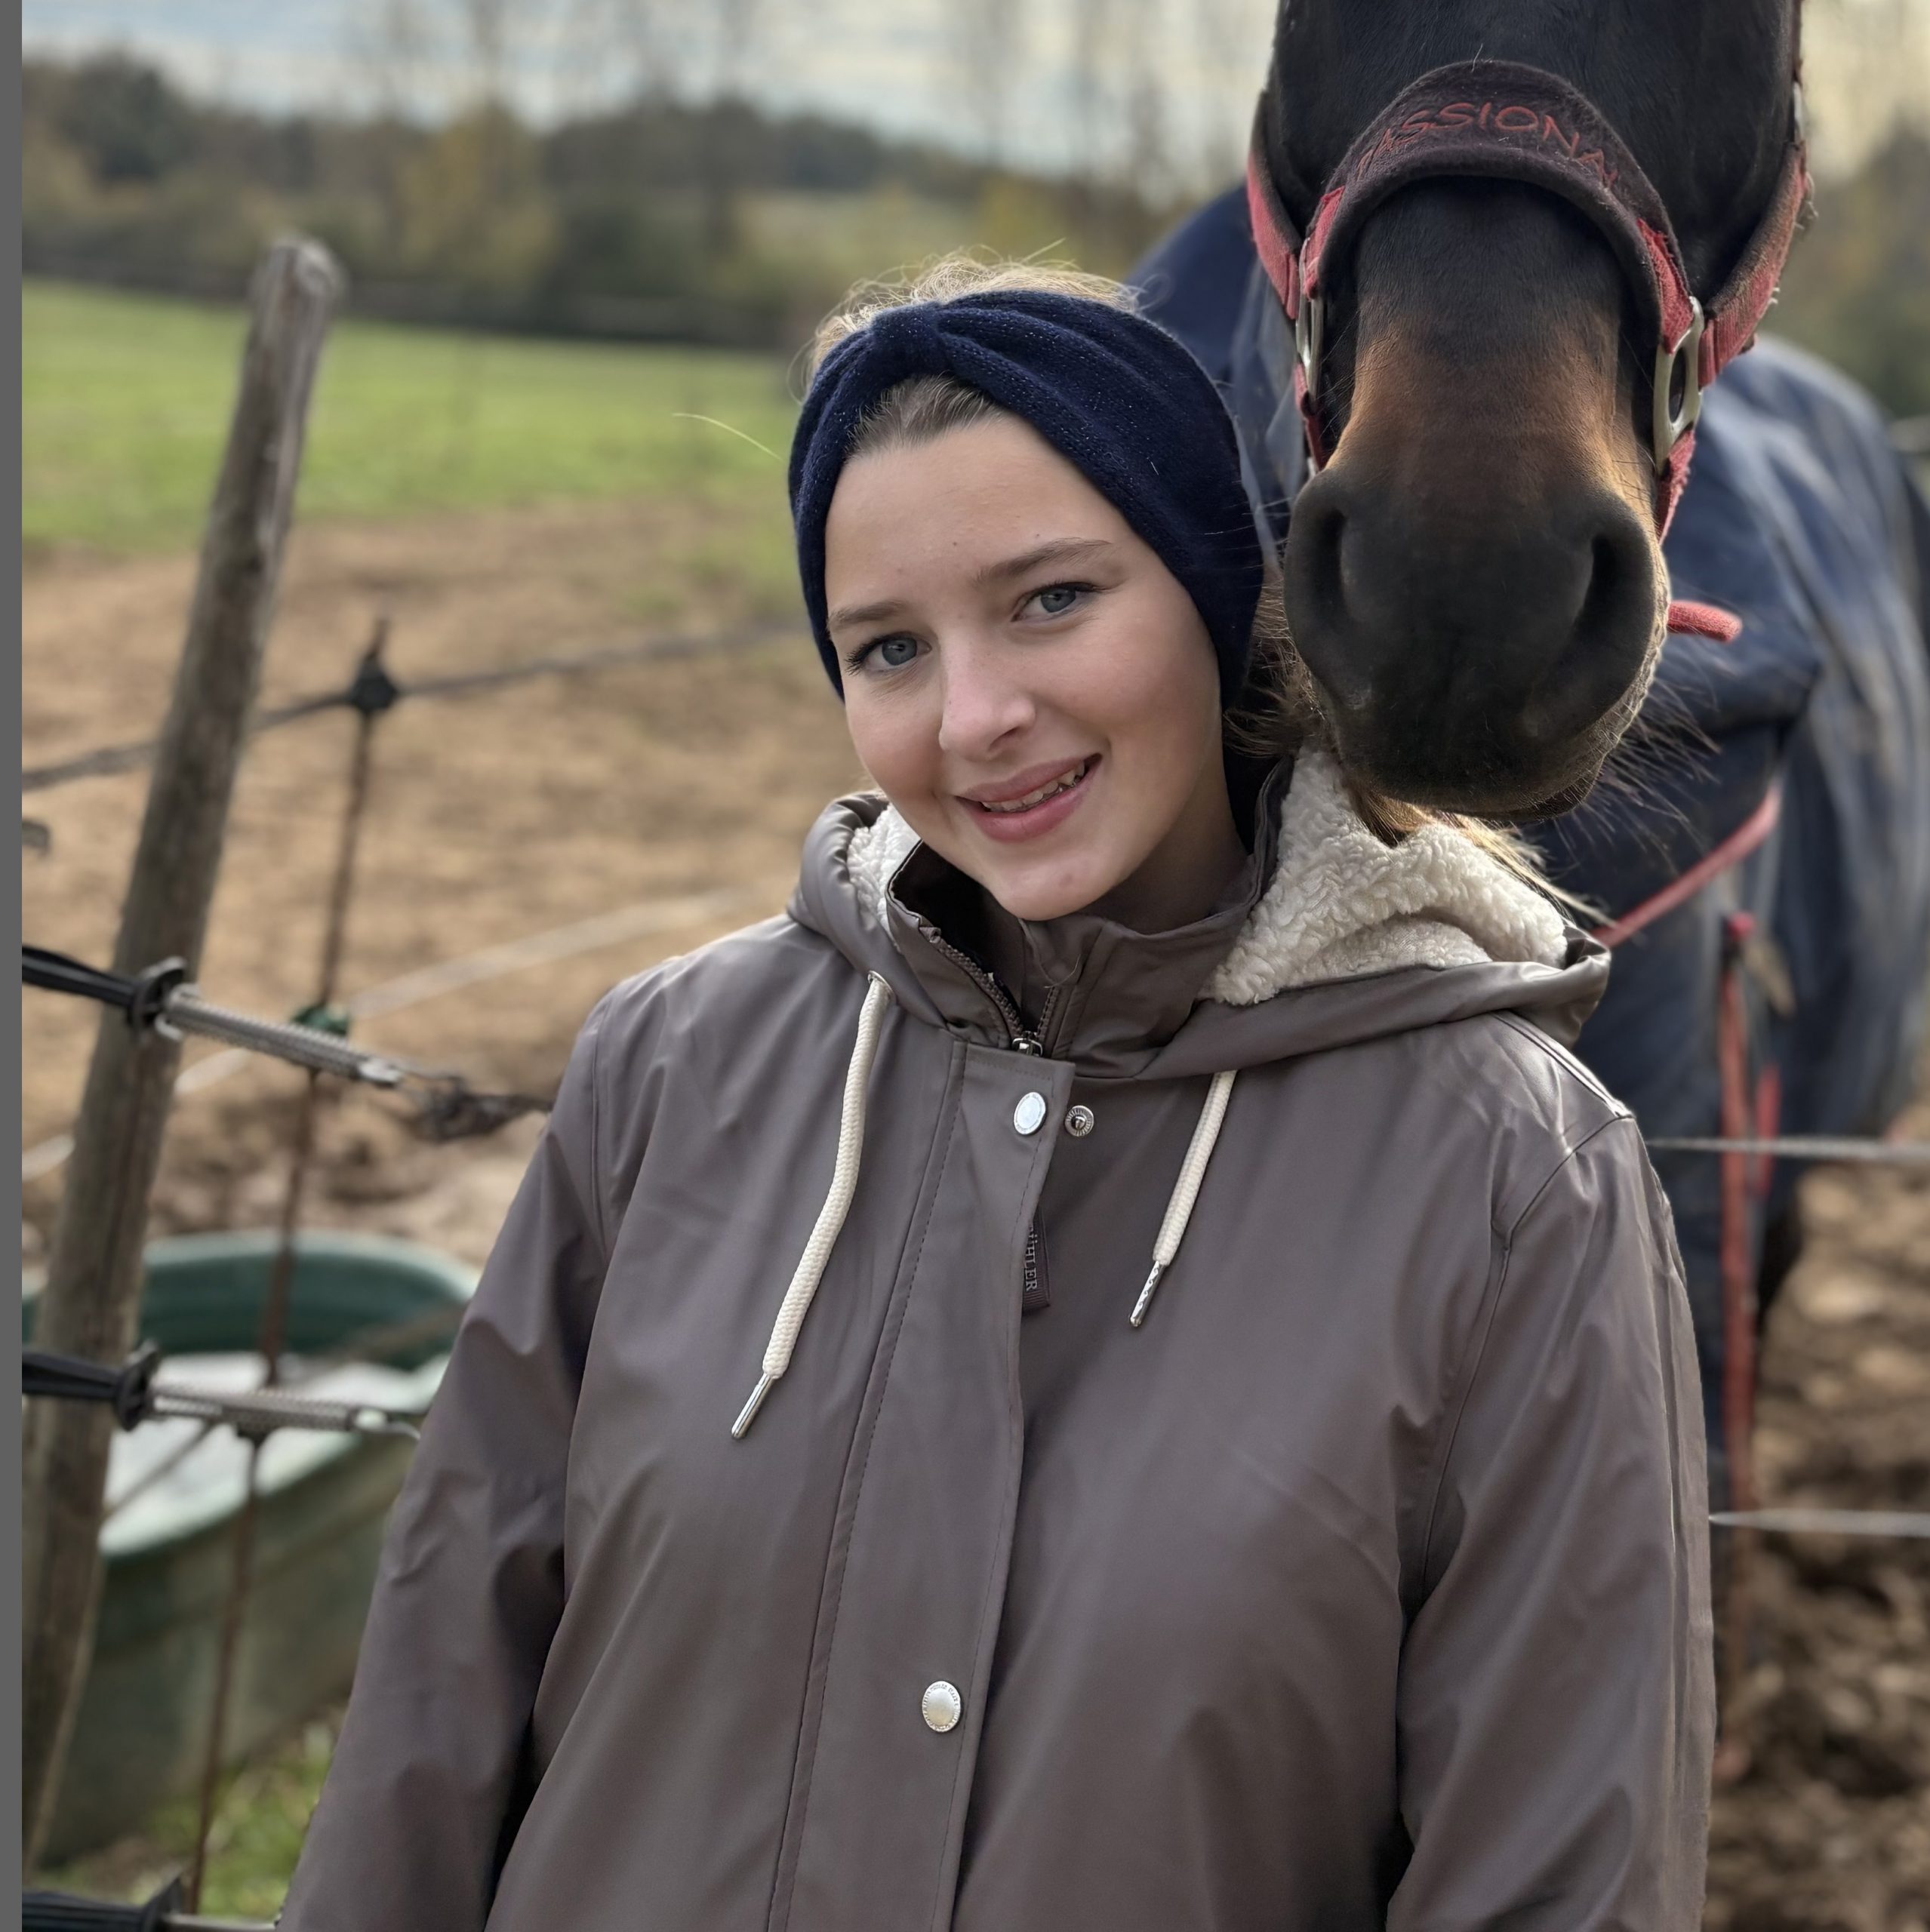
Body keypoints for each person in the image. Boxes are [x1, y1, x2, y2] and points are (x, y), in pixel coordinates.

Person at [278, 257, 1713, 1932]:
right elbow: (431, 1717)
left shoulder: (1513, 1181)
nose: (975, 718)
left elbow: (1558, 1872)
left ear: (1213, 586)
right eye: (887, 646)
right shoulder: (666, 1070)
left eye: (1049, 600)